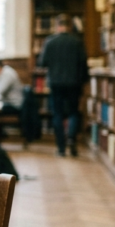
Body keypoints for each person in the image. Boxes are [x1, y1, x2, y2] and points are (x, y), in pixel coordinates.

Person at [37, 15, 89, 157]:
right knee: (73, 112)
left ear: (57, 26)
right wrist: (84, 82)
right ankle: (71, 138)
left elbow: (42, 63)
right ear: (70, 26)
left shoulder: (50, 41)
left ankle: (61, 147)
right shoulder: (77, 42)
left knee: (58, 114)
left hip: (56, 83)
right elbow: (83, 64)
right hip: (74, 83)